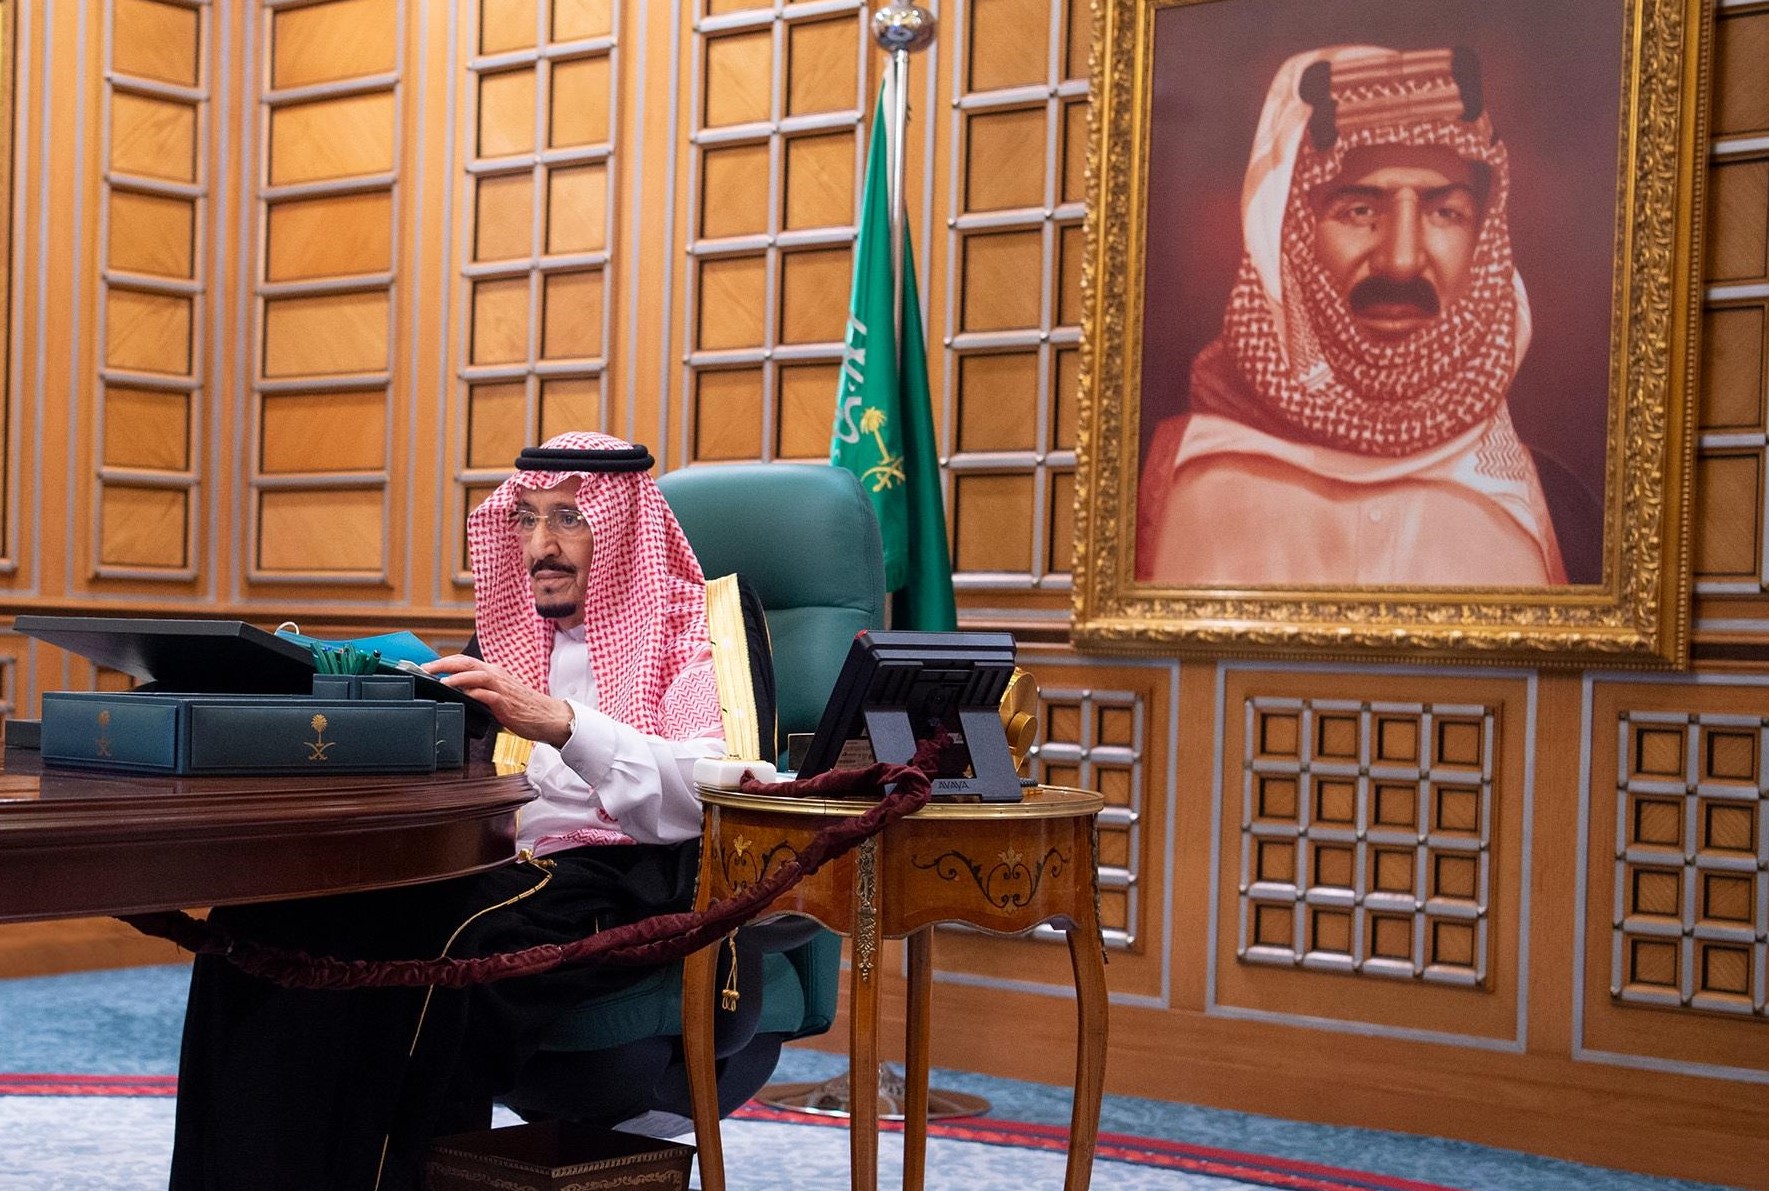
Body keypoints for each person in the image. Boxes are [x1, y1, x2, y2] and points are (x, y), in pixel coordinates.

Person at [169, 432, 728, 1191]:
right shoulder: (507, 635)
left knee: (429, 947)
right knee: (261, 915)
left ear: (622, 525)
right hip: (492, 855)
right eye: (526, 519)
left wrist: (563, 722)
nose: (540, 545)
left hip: (623, 873)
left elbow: (716, 788)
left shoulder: (694, 632)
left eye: (569, 518)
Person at [1138, 45, 1576, 587]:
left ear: (1483, 234)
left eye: (1445, 212)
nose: (1401, 260)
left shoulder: (1559, 508)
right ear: (1287, 232)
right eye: (1359, 210)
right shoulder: (1157, 476)